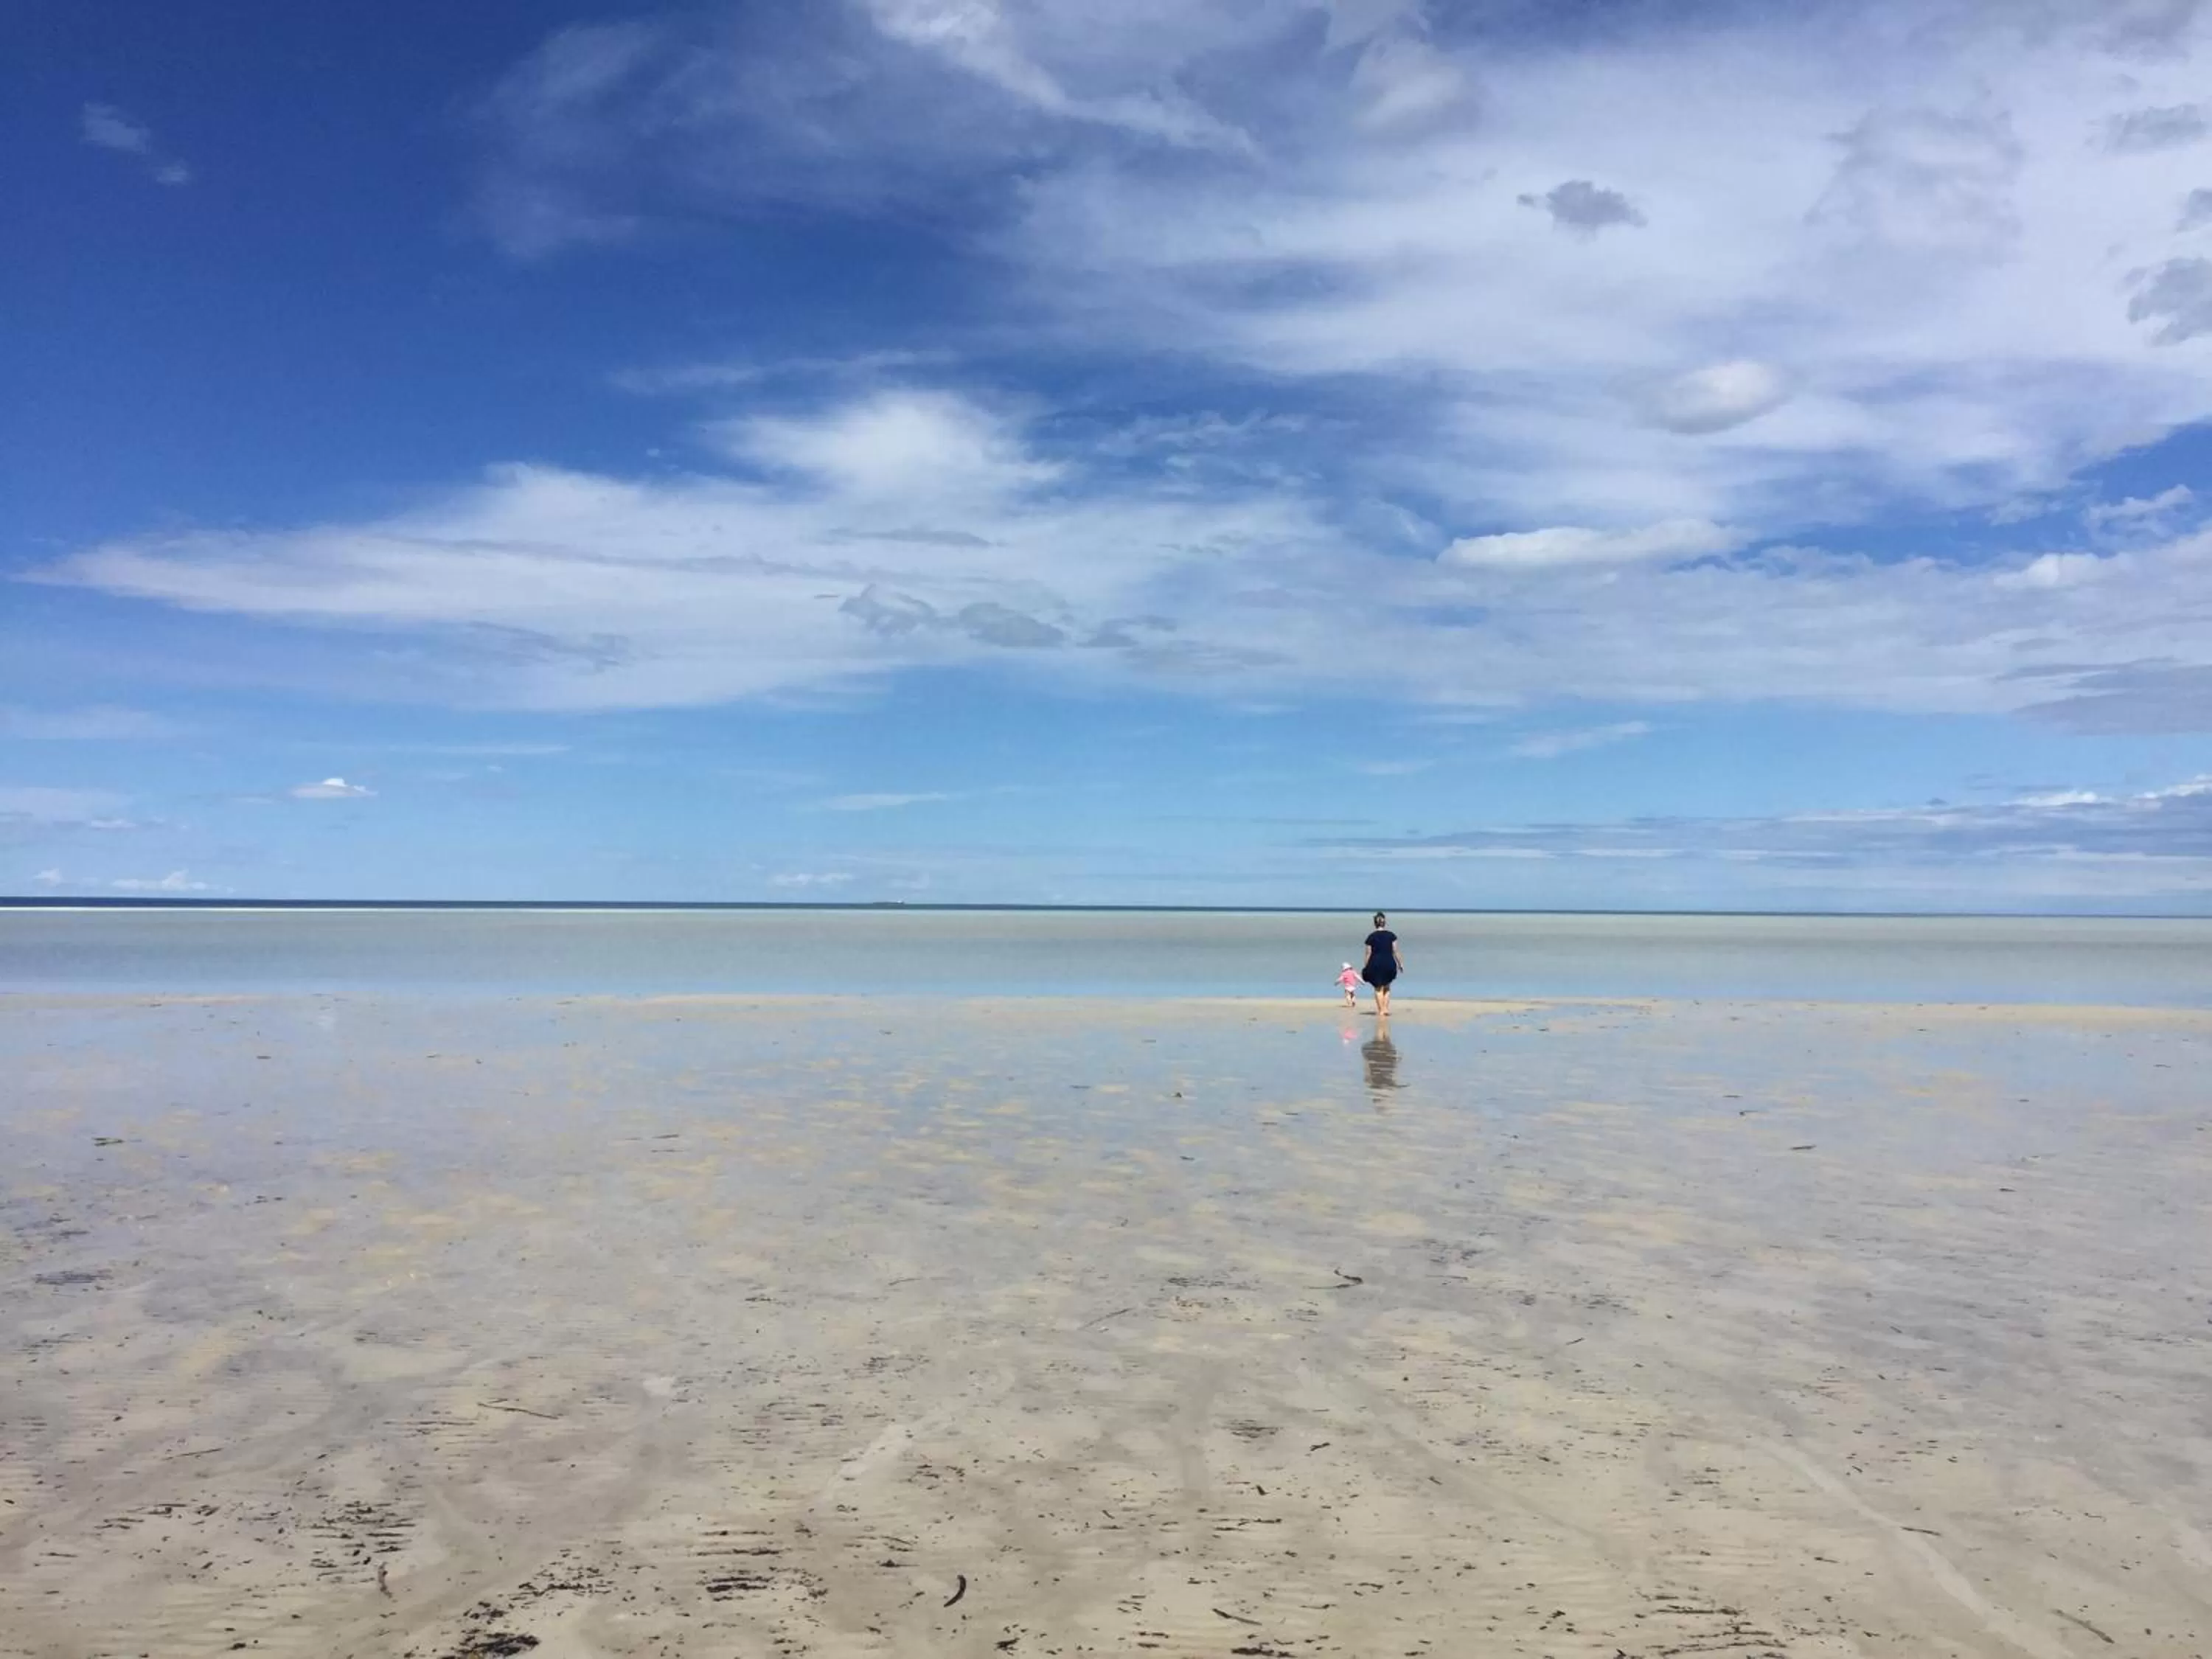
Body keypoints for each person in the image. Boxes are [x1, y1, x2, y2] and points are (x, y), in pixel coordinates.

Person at [1360, 911, 1403, 1015]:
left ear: (1375, 923)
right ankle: (1386, 1009)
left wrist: (1366, 966)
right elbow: (1395, 951)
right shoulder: (1392, 936)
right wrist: (1400, 964)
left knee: (1378, 988)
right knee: (1387, 987)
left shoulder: (1371, 937)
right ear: (1385, 923)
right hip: (1389, 963)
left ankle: (1381, 1010)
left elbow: (1368, 954)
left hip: (1375, 964)